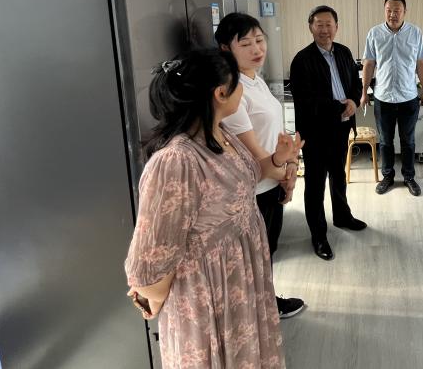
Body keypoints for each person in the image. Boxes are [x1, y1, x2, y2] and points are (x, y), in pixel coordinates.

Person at [125, 49, 299, 369]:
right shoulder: (176, 161)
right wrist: (162, 302)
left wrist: (277, 159)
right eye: (238, 82)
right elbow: (149, 267)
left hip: (241, 287)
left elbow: (239, 182)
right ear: (220, 93)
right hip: (207, 304)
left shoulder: (221, 133)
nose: (242, 89)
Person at [216, 12, 306, 319]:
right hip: (251, 191)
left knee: (267, 251)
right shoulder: (232, 91)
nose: (257, 49)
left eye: (259, 40)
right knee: (253, 257)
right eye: (245, 44)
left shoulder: (256, 80)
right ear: (225, 49)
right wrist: (286, 175)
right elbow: (256, 158)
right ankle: (257, 313)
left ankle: (266, 305)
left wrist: (290, 169)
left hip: (272, 182)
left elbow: (276, 137)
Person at [290, 5, 366, 261]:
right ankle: (319, 235)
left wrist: (354, 100)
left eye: (329, 24)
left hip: (341, 127)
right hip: (316, 131)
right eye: (319, 24)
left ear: (337, 26)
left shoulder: (344, 52)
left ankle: (342, 216)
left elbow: (355, 83)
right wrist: (340, 107)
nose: (324, 29)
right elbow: (306, 100)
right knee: (315, 184)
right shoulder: (302, 60)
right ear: (310, 27)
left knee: (338, 175)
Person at [361, 0, 423, 197]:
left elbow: (421, 64)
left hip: (409, 98)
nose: (393, 14)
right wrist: (364, 92)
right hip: (383, 98)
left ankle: (409, 177)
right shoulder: (374, 33)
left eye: (397, 10)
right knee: (385, 141)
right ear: (384, 11)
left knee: (408, 141)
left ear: (404, 12)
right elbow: (369, 64)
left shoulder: (415, 33)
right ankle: (388, 177)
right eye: (389, 10)